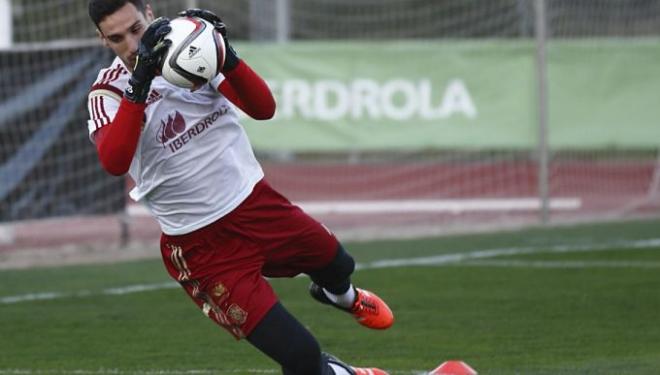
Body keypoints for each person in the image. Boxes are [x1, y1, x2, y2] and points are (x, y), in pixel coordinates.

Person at [86, 1, 394, 374]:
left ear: (150, 14)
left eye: (136, 29)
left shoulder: (189, 47)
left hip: (256, 205)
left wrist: (227, 56)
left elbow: (264, 108)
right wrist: (140, 83)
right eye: (117, 38)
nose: (132, 45)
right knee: (299, 354)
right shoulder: (108, 93)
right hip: (203, 248)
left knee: (337, 262)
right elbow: (114, 162)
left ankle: (341, 297)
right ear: (103, 40)